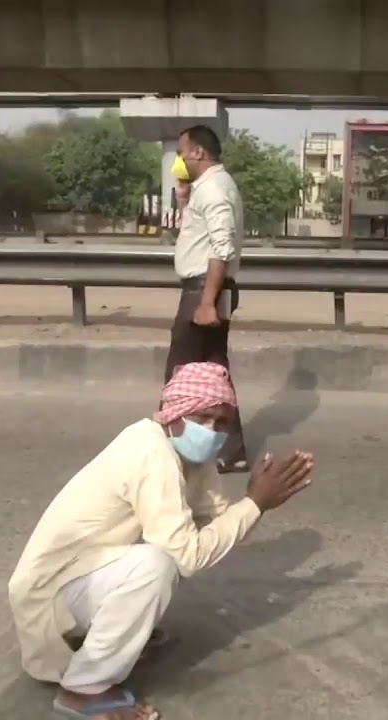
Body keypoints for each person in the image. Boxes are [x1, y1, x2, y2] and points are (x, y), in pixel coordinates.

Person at [7, 361, 316, 720]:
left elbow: (219, 524)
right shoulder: (151, 453)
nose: (212, 430)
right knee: (159, 563)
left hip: (82, 576)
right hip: (48, 594)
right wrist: (255, 504)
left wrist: (255, 502)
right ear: (175, 414)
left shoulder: (191, 456)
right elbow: (189, 556)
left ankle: (113, 634)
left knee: (169, 546)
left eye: (221, 422)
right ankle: (85, 688)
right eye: (202, 418)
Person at [165, 125, 249, 474]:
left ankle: (166, 452)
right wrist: (184, 199)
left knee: (179, 372)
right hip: (208, 288)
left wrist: (206, 302)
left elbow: (221, 247)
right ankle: (231, 451)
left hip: (203, 289)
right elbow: (201, 237)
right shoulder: (210, 187)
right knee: (214, 371)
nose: (180, 159)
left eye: (183, 152)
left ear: (198, 152)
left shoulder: (213, 189)